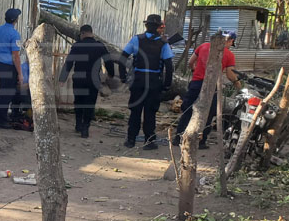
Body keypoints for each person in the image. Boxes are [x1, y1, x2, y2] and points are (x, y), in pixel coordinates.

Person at [172, 31, 242, 148]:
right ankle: (201, 141)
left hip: (196, 84)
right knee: (208, 113)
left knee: (188, 110)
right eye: (231, 43)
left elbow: (190, 62)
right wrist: (238, 85)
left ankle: (178, 138)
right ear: (230, 41)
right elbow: (230, 74)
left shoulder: (203, 46)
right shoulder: (229, 55)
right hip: (211, 86)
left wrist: (195, 70)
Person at [119, 14, 175, 149]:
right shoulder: (163, 44)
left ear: (146, 25)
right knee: (150, 113)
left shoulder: (136, 39)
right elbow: (169, 66)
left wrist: (123, 76)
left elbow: (123, 57)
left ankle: (131, 140)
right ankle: (149, 141)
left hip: (138, 80)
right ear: (158, 27)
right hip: (154, 82)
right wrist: (167, 85)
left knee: (135, 111)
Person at [59, 25, 117, 138]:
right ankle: (85, 128)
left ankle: (78, 124)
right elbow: (108, 60)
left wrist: (62, 78)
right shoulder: (99, 46)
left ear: (83, 33)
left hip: (79, 79)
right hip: (93, 80)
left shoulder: (77, 46)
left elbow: (69, 62)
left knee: (79, 101)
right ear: (91, 33)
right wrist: (111, 74)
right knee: (90, 103)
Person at [0, 8, 23, 128]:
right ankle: (2, 120)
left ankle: (3, 116)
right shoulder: (14, 34)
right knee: (7, 93)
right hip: (9, 67)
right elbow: (16, 56)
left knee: (5, 92)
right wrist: (20, 73)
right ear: (15, 20)